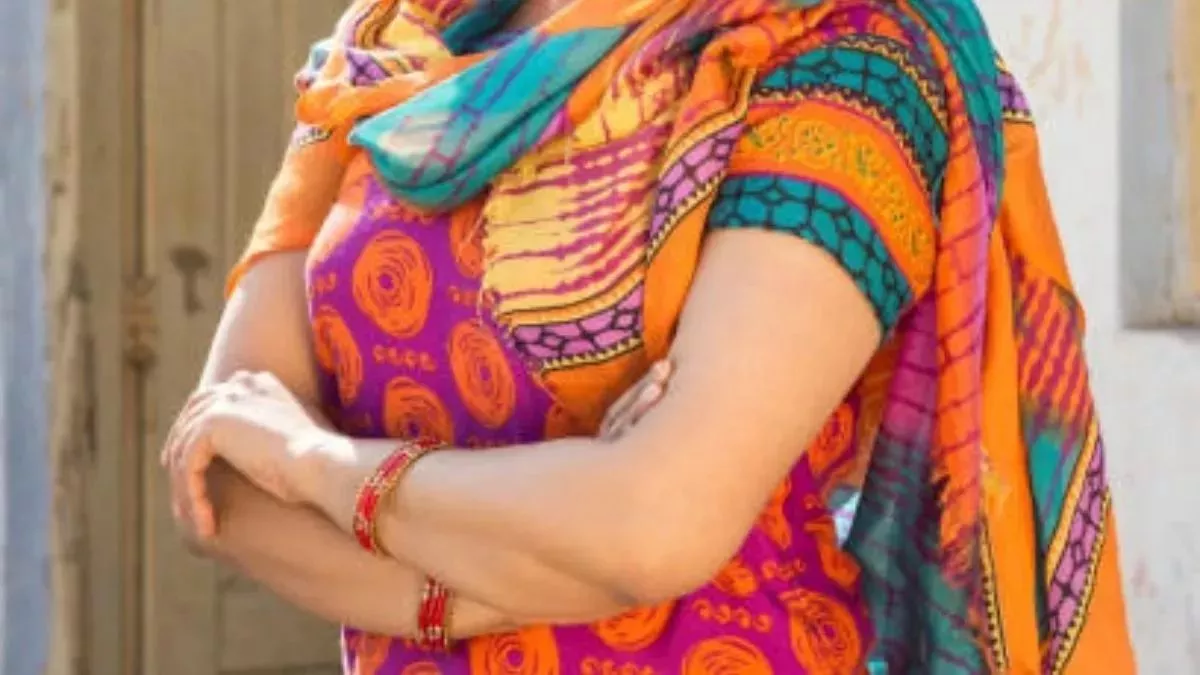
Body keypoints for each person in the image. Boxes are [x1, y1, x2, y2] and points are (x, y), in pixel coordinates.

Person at [161, 0, 1137, 671]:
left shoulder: (843, 56)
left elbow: (657, 522)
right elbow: (223, 478)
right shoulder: (391, 43)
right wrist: (542, 571)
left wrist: (316, 463)